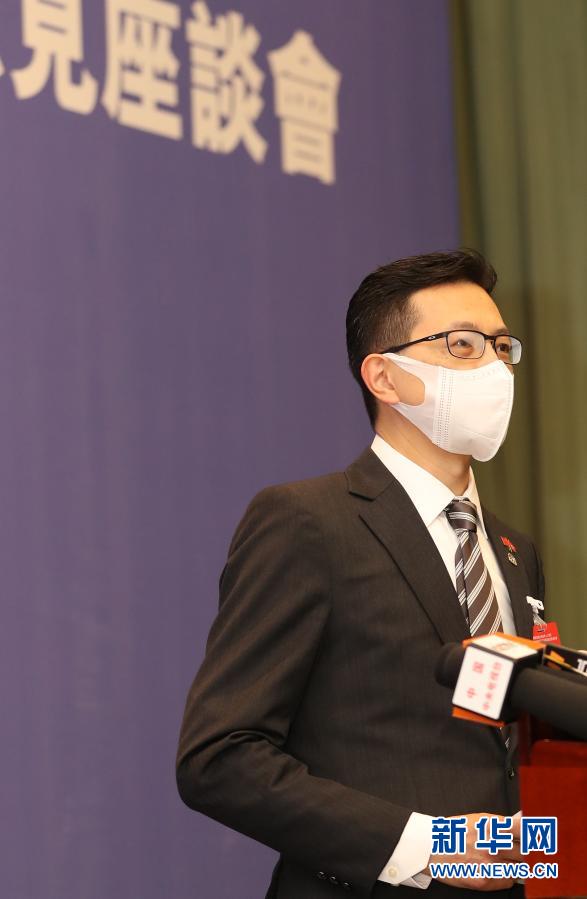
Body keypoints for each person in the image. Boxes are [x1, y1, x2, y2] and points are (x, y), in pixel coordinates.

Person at [175, 249, 545, 899]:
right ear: (384, 376)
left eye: (499, 346)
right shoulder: (308, 521)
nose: (492, 367)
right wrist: (429, 846)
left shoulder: (515, 549)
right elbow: (220, 757)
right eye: (462, 345)